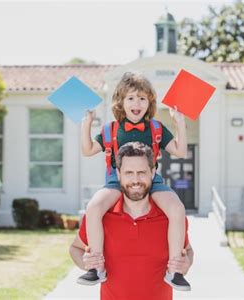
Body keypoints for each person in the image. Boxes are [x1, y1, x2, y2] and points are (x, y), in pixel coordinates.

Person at [79, 71, 190, 290]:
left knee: (177, 209)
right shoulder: (111, 129)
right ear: (121, 102)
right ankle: (96, 267)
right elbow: (88, 149)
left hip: (152, 179)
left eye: (142, 98)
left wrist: (180, 123)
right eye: (130, 98)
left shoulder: (156, 128)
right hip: (116, 179)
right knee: (93, 208)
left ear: (149, 103)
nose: (136, 103)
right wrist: (86, 124)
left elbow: (180, 151)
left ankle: (175, 271)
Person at [70, 142, 194, 300]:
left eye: (142, 172)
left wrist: (186, 263)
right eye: (129, 173)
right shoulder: (100, 216)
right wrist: (86, 263)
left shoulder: (170, 217)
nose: (136, 180)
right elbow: (75, 248)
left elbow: (188, 250)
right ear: (118, 174)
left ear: (153, 172)